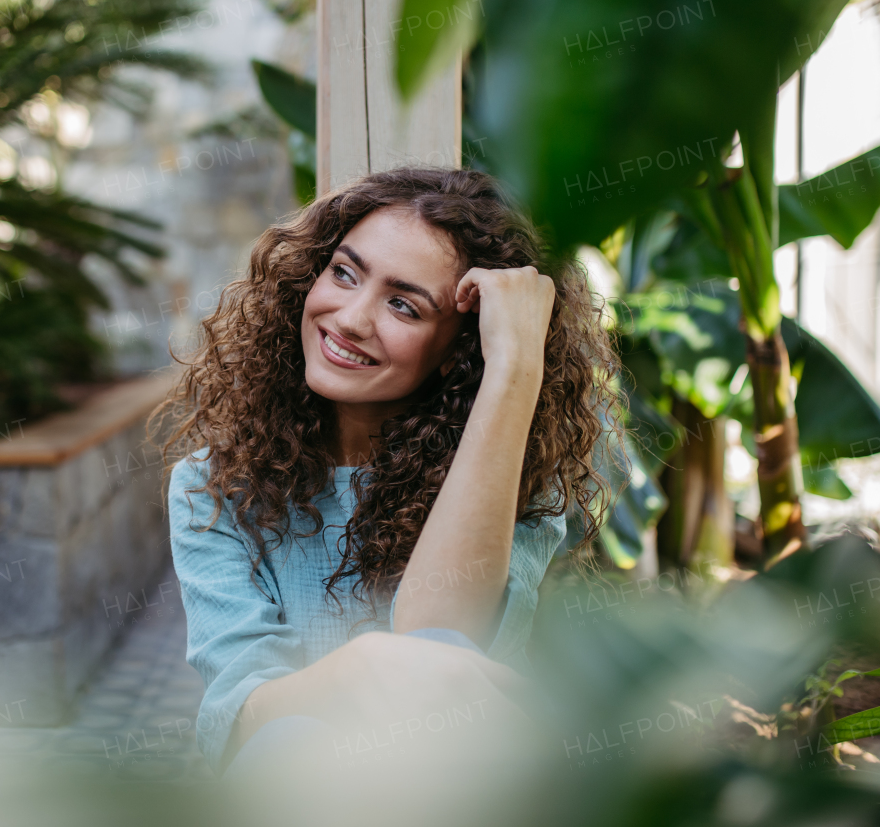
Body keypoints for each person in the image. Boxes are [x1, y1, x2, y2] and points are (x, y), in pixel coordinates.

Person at [150, 167, 618, 780]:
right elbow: (244, 714)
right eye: (343, 273)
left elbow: (441, 640)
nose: (349, 318)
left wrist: (515, 366)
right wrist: (357, 670)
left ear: (460, 347)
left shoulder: (521, 483)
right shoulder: (212, 489)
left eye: (403, 304)